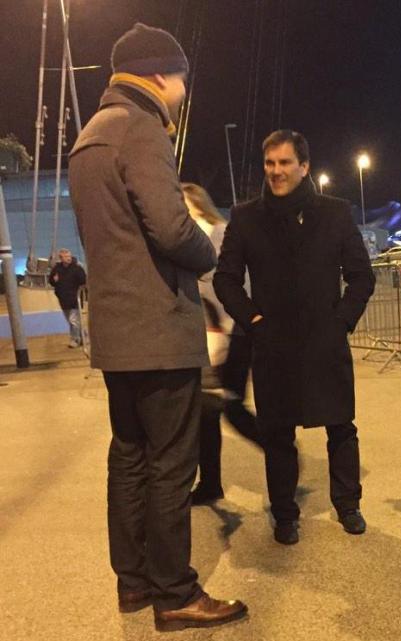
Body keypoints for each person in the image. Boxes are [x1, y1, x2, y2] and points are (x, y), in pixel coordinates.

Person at [68, 23, 246, 631]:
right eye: (180, 78)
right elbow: (173, 231)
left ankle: (135, 583)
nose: (182, 89)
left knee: (131, 459)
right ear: (159, 74)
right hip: (159, 329)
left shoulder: (90, 136)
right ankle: (176, 593)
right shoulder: (140, 129)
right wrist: (211, 248)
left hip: (117, 333)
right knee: (173, 463)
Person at [214, 129, 375, 545]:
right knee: (277, 434)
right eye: (270, 163)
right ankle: (285, 513)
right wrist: (254, 321)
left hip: (326, 341)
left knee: (341, 426)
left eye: (285, 163)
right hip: (273, 345)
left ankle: (348, 503)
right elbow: (226, 279)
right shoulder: (246, 217)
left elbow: (361, 276)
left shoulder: (335, 214)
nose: (276, 172)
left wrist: (341, 321)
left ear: (304, 167)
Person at [181, 183, 264, 506]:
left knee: (229, 407)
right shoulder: (189, 240)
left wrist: (228, 328)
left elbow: (231, 286)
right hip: (209, 337)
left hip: (233, 334)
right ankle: (211, 484)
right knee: (207, 411)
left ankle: (279, 450)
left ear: (197, 204)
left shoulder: (220, 234)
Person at [48, 248, 86, 348]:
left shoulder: (77, 268)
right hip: (63, 299)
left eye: (69, 256)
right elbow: (51, 281)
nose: (68, 258)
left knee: (73, 320)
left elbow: (83, 281)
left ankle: (75, 340)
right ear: (61, 258)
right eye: (66, 257)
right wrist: (54, 280)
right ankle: (83, 336)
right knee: (72, 320)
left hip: (75, 298)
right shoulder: (57, 269)